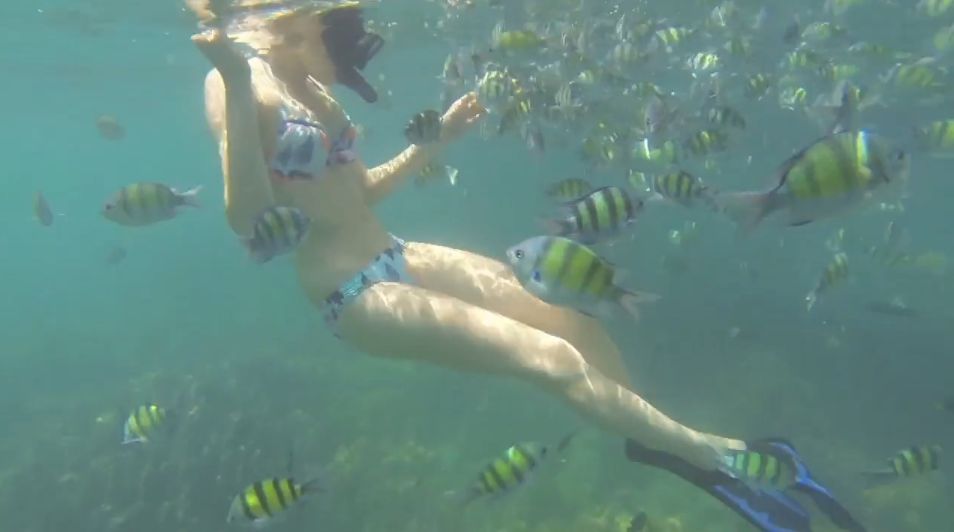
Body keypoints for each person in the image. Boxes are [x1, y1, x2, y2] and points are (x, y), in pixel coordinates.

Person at [188, 2, 864, 530]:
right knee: (553, 360)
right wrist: (236, 82)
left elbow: (357, 193)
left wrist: (437, 142)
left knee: (572, 318)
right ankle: (717, 456)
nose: (348, 58)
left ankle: (656, 439)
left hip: (399, 254)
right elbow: (246, 218)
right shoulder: (237, 82)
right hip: (354, 293)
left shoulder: (308, 84)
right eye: (341, 35)